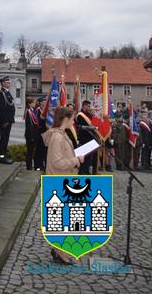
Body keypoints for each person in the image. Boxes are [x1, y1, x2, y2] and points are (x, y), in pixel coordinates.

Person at [42, 107, 84, 265]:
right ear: (65, 119)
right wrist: (76, 160)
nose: (74, 121)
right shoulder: (57, 137)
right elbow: (57, 163)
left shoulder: (62, 135)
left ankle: (59, 250)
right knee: (60, 221)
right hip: (59, 182)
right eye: (72, 118)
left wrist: (76, 157)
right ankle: (59, 253)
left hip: (64, 180)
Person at [0, 76, 15, 164]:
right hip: (5, 120)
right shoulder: (2, 94)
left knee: (6, 138)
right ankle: (2, 157)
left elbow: (10, 105)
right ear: (3, 83)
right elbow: (2, 109)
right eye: (7, 82)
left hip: (9, 119)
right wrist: (5, 121)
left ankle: (5, 154)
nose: (9, 83)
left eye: (9, 82)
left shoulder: (6, 92)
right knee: (3, 138)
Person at [76, 101, 97, 174]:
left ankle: (87, 170)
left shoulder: (89, 114)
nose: (89, 107)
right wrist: (91, 127)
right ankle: (82, 171)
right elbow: (80, 126)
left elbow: (93, 122)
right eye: (88, 106)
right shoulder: (80, 115)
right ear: (84, 106)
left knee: (89, 157)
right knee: (84, 156)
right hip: (83, 138)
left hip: (90, 138)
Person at [24, 97, 39, 169]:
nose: (35, 104)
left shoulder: (31, 111)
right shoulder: (28, 112)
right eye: (33, 102)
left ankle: (29, 165)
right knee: (29, 151)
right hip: (30, 135)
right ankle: (29, 166)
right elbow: (29, 126)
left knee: (31, 151)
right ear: (29, 104)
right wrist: (32, 136)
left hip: (33, 134)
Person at [34, 97, 47, 170]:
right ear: (40, 102)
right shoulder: (38, 110)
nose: (45, 102)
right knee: (39, 149)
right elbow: (37, 121)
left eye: (45, 101)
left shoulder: (44, 110)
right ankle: (38, 165)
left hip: (44, 131)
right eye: (43, 101)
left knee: (43, 149)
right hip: (39, 132)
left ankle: (42, 164)